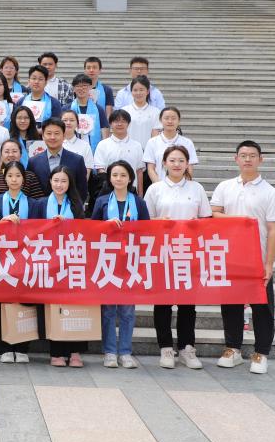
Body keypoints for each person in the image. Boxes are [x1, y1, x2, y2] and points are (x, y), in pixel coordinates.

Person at [211, 140, 275, 375]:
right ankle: (232, 348)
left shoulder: (270, 193)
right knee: (230, 305)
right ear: (236, 159)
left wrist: (269, 263)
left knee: (262, 307)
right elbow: (213, 213)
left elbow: (273, 230)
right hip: (230, 257)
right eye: (243, 155)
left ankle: (261, 352)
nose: (247, 159)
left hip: (257, 258)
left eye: (252, 155)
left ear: (260, 159)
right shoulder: (225, 187)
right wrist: (238, 221)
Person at [144, 145, 211, 370]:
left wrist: (196, 224)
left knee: (187, 305)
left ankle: (186, 348)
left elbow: (207, 219)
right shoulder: (155, 189)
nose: (176, 164)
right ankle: (165, 348)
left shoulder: (196, 188)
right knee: (162, 303)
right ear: (164, 163)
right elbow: (145, 221)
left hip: (189, 253)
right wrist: (160, 222)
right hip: (163, 252)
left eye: (181, 160)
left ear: (187, 164)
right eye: (172, 160)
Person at [92, 160, 150, 369]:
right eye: (115, 175)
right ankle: (109, 351)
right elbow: (91, 229)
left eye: (123, 175)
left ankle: (125, 351)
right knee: (108, 309)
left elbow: (148, 230)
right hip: (107, 261)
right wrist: (105, 225)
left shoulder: (139, 202)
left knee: (127, 310)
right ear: (109, 178)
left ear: (130, 178)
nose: (119, 179)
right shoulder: (101, 201)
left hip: (130, 261)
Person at [33, 167, 88, 367]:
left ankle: (75, 351)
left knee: (74, 305)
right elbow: (33, 230)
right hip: (48, 261)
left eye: (64, 181)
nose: (59, 184)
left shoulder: (76, 204)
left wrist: (67, 226)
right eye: (56, 180)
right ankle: (56, 351)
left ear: (69, 183)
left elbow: (84, 230)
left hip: (72, 261)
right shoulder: (40, 204)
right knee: (52, 306)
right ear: (50, 181)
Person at [0, 159, 36, 364]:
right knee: (0, 302)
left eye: (18, 176)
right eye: (10, 176)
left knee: (25, 301)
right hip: (1, 258)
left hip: (26, 259)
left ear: (24, 179)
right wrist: (1, 223)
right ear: (4, 178)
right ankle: (3, 347)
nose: (14, 179)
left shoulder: (33, 203)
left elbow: (39, 230)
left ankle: (23, 346)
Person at [29, 118, 88, 200]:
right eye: (49, 133)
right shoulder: (33, 162)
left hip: (69, 206)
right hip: (41, 207)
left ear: (64, 136)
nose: (52, 137)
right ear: (43, 136)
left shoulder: (77, 160)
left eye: (57, 133)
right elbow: (30, 191)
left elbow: (82, 191)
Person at [93, 110, 145, 195]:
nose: (119, 124)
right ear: (110, 124)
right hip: (109, 192)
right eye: (116, 121)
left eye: (123, 121)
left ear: (128, 124)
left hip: (131, 192)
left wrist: (140, 194)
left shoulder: (137, 145)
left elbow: (139, 171)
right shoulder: (102, 145)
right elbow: (101, 170)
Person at [144, 106, 199, 184]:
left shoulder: (187, 143)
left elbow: (189, 168)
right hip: (159, 186)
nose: (170, 121)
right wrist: (159, 186)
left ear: (179, 120)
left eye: (173, 118)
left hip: (182, 187)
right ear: (160, 120)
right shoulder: (152, 142)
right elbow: (151, 169)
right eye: (166, 118)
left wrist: (181, 185)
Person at [69, 74, 109, 155]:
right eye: (78, 86)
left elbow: (104, 132)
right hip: (71, 149)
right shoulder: (67, 109)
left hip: (93, 150)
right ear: (73, 89)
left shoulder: (98, 109)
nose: (81, 88)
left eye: (84, 86)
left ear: (90, 87)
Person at [121, 75, 162, 149]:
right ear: (131, 92)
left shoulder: (156, 112)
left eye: (141, 90)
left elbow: (155, 137)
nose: (138, 93)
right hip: (127, 150)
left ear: (147, 91)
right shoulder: (124, 111)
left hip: (147, 151)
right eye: (135, 90)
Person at [21, 65, 63, 129]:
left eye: (40, 79)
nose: (36, 82)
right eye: (34, 78)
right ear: (29, 81)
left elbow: (57, 126)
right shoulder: (21, 102)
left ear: (46, 82)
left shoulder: (54, 103)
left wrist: (41, 131)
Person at [60, 110, 94, 175]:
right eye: (65, 120)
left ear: (77, 124)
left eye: (72, 120)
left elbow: (87, 170)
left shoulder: (85, 145)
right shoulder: (54, 143)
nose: (68, 123)